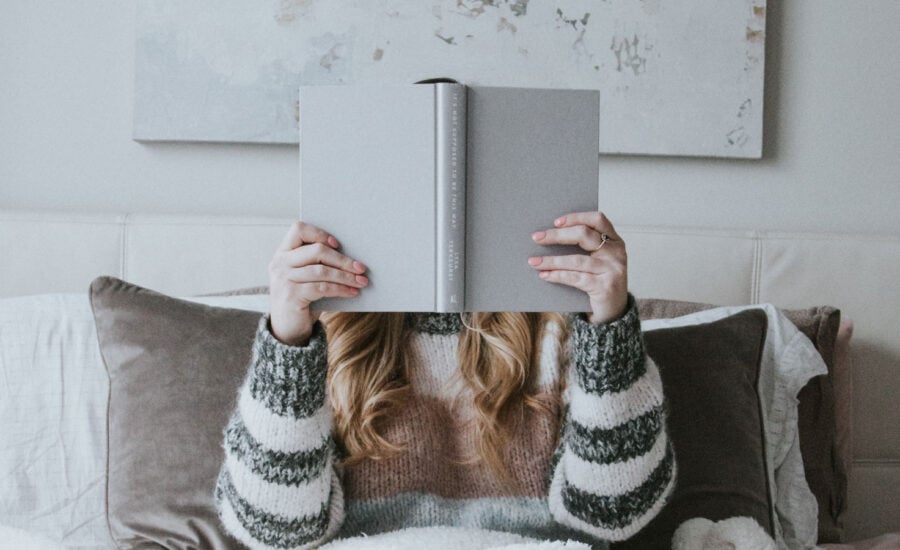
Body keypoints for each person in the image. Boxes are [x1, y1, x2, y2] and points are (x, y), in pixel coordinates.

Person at [214, 211, 676, 549]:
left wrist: (610, 328)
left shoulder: (563, 330)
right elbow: (273, 528)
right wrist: (289, 340)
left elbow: (615, 512)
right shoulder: (327, 336)